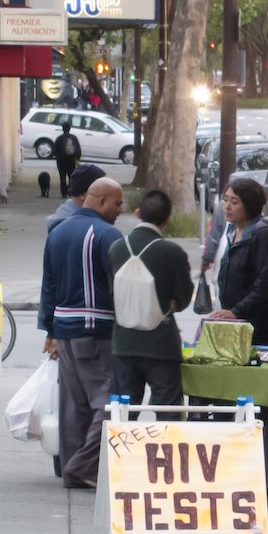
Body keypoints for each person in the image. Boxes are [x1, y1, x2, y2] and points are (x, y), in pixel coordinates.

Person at [39, 177, 125, 489]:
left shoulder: (57, 231)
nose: (120, 209)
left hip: (65, 329)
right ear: (100, 201)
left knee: (73, 404)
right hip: (95, 327)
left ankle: (73, 467)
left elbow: (49, 286)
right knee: (107, 401)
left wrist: (50, 331)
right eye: (117, 203)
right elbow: (121, 284)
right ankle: (82, 465)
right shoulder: (108, 234)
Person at [108, 189, 194, 419]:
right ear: (168, 218)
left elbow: (110, 294)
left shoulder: (116, 249)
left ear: (137, 213)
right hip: (161, 346)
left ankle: (124, 456)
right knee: (168, 414)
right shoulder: (173, 253)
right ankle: (163, 455)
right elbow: (184, 298)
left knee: (124, 415)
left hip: (123, 344)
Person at [208, 177, 268, 345]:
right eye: (225, 200)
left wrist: (237, 311)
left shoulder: (262, 235)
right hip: (234, 320)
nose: (227, 206)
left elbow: (266, 283)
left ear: (250, 204)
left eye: (234, 202)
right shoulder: (233, 229)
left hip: (256, 325)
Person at [45, 163, 106, 233]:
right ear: (83, 194)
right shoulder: (73, 229)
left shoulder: (72, 217)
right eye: (101, 190)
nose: (106, 195)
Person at [53, 121, 82, 198]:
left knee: (62, 176)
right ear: (70, 128)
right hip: (71, 160)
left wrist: (58, 157)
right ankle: (70, 191)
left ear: (62, 129)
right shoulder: (74, 138)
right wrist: (77, 160)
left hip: (61, 160)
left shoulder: (59, 138)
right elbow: (78, 150)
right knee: (71, 176)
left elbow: (55, 151)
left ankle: (63, 193)